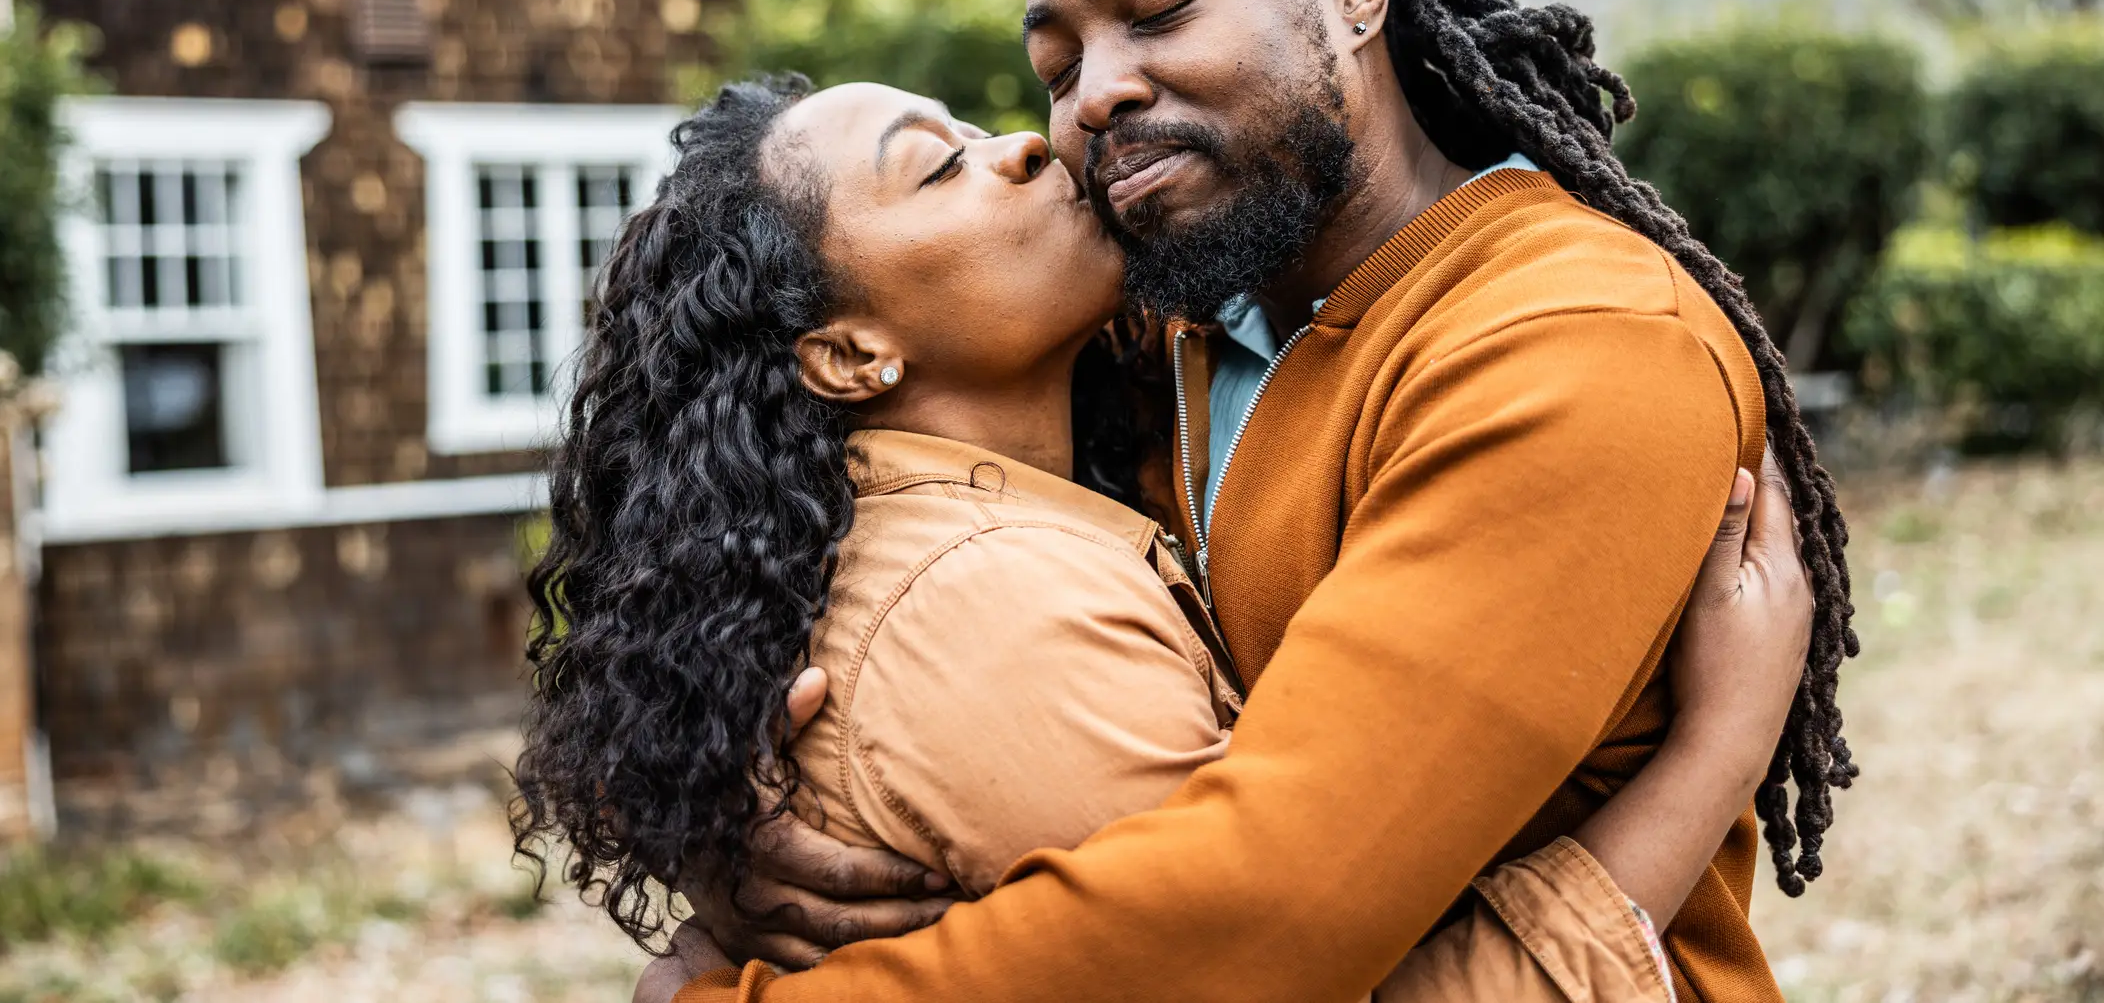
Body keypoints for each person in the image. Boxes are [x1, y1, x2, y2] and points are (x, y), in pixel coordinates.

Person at [619, 0, 1859, 1002]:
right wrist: (737, 834)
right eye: (1057, 64)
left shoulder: (1571, 344)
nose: (1086, 100)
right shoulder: (1175, 322)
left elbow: (1252, 916)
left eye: (1157, 8)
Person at [515, 73, 1809, 1003]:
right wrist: (1716, 748)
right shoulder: (999, 606)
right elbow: (1273, 966)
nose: (1033, 138)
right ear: (851, 352)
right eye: (938, 163)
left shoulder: (1130, 401)